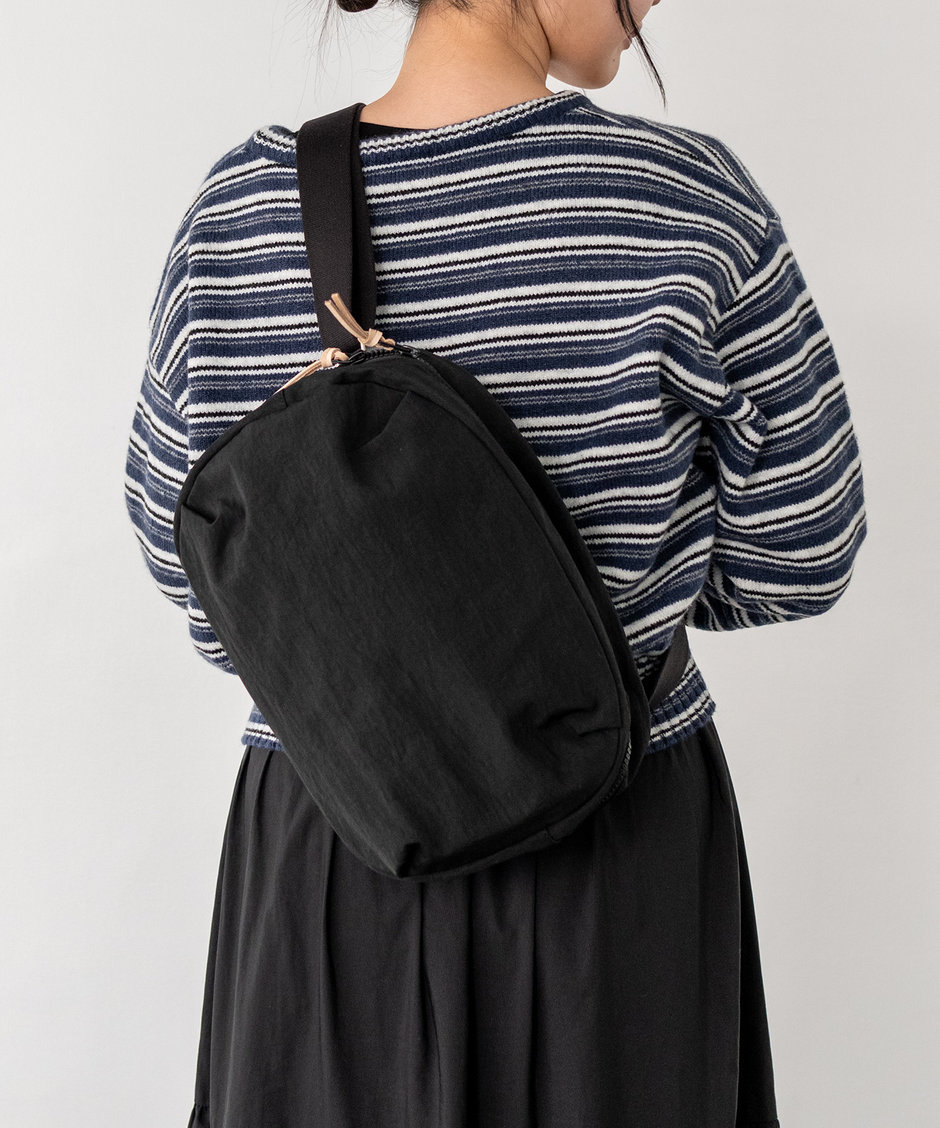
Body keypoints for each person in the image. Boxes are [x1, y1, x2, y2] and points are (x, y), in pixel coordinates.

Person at [123, 0, 868, 1124]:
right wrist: (620, 600)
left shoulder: (239, 213)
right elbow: (801, 552)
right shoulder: (685, 201)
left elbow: (189, 563)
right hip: (612, 846)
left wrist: (372, 657)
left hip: (329, 848)